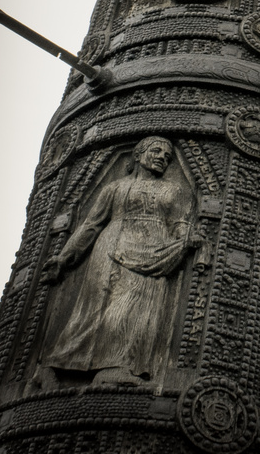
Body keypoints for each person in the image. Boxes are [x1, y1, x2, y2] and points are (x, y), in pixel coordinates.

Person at [41, 136, 200, 385]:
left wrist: (184, 240)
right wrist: (64, 258)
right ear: (138, 154)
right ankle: (55, 367)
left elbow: (180, 224)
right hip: (109, 249)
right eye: (156, 151)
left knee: (134, 311)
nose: (162, 157)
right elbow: (90, 226)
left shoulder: (174, 190)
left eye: (167, 156)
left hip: (154, 251)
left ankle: (117, 367)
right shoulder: (114, 188)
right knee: (92, 311)